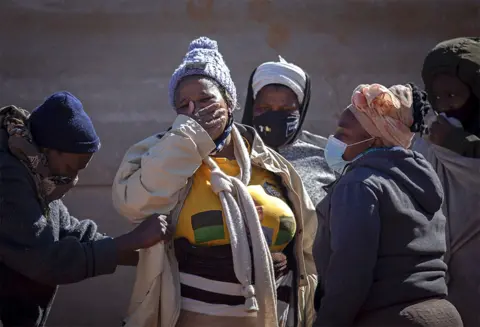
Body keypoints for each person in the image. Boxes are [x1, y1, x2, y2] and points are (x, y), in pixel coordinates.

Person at [112, 37, 317, 327]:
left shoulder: (271, 162)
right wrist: (187, 140)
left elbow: (306, 250)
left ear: (230, 102)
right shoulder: (159, 152)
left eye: (207, 99)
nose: (196, 110)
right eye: (184, 105)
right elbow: (134, 204)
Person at [0, 92, 171, 327]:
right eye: (71, 167)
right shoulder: (8, 176)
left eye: (80, 170)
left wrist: (147, 255)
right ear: (49, 149)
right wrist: (130, 241)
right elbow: (45, 260)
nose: (72, 177)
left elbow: (67, 230)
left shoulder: (36, 169)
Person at [314, 83, 462, 326]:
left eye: (343, 132)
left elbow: (351, 273)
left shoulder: (360, 185)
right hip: (442, 315)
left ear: (374, 139)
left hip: (389, 318)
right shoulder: (420, 177)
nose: (334, 139)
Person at [412, 37, 480, 327]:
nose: (444, 106)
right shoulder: (429, 144)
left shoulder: (449, 139)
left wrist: (462, 146)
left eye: (453, 96)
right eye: (437, 98)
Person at [241, 56, 335, 207]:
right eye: (265, 109)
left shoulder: (326, 154)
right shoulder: (234, 152)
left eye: (286, 110)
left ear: (301, 109)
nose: (275, 116)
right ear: (252, 107)